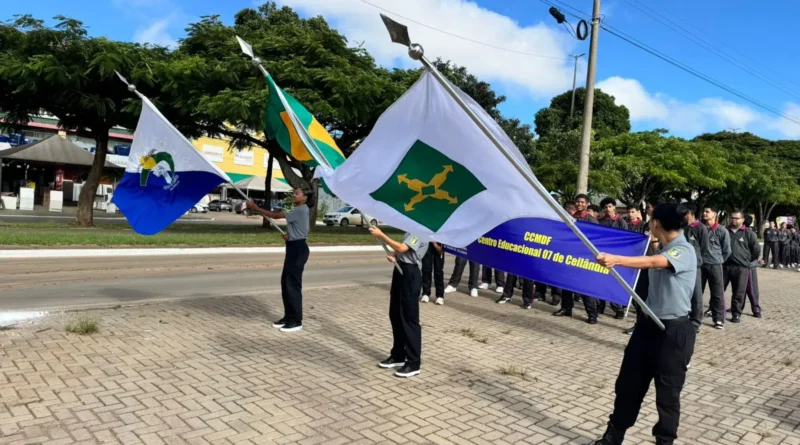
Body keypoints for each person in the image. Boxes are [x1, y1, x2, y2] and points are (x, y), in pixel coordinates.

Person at [587, 204, 697, 445]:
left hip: (673, 332)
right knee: (628, 384)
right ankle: (613, 435)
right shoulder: (664, 245)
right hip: (647, 327)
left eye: (650, 220)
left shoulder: (684, 250)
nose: (648, 223)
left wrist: (616, 259)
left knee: (667, 395)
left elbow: (656, 263)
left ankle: (664, 441)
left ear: (656, 223)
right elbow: (655, 254)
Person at [247, 188, 311, 333]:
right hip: (294, 245)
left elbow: (275, 216)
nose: (294, 195)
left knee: (292, 285)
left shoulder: (301, 209)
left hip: (298, 249)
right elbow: (303, 229)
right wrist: (291, 235)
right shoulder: (299, 208)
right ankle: (288, 317)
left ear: (305, 197)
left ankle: (296, 321)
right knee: (286, 283)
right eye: (294, 192)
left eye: (298, 193)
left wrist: (256, 208)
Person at [370, 228, 427, 378]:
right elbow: (402, 251)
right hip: (400, 270)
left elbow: (403, 247)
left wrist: (381, 234)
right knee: (395, 314)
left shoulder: (420, 230)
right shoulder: (409, 229)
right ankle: (398, 355)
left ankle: (414, 362)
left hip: (411, 274)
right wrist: (395, 256)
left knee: (409, 319)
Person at [553, 194, 600, 324]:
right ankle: (566, 308)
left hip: (585, 257)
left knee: (584, 286)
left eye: (582, 202)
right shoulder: (570, 218)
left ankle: (592, 314)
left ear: (587, 204)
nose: (579, 204)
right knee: (566, 284)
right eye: (577, 202)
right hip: (570, 256)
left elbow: (597, 238)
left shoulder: (591, 220)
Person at [723, 211, 760, 324]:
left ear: (742, 219)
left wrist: (746, 260)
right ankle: (717, 311)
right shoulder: (725, 231)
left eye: (737, 218)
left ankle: (736, 313)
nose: (734, 220)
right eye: (732, 217)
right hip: (725, 266)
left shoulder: (749, 233)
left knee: (739, 292)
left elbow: (756, 250)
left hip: (741, 267)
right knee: (719, 290)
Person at [700, 206, 731, 330]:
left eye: (707, 212)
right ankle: (695, 316)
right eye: (704, 211)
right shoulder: (700, 229)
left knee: (717, 293)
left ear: (715, 214)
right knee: (697, 292)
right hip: (700, 265)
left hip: (715, 265)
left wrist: (719, 260)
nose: (704, 213)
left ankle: (718, 319)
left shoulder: (722, 230)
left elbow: (727, 250)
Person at [598, 197, 629, 318]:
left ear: (614, 207)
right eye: (605, 207)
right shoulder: (600, 221)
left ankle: (618, 309)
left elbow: (626, 238)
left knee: (614, 282)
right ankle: (600, 306)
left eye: (609, 206)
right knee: (601, 281)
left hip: (616, 256)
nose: (607, 209)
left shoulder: (621, 222)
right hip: (602, 255)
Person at [683, 203, 708, 332]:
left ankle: (696, 322)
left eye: (684, 213)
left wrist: (697, 260)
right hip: (681, 265)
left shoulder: (701, 228)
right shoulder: (681, 227)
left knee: (696, 295)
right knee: (683, 293)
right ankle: (684, 318)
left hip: (695, 266)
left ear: (691, 214)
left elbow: (704, 248)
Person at [743, 215, 762, 318]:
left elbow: (756, 250)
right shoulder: (735, 232)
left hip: (749, 266)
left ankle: (756, 309)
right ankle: (737, 307)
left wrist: (750, 260)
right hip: (738, 266)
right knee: (739, 289)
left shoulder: (750, 234)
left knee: (752, 288)